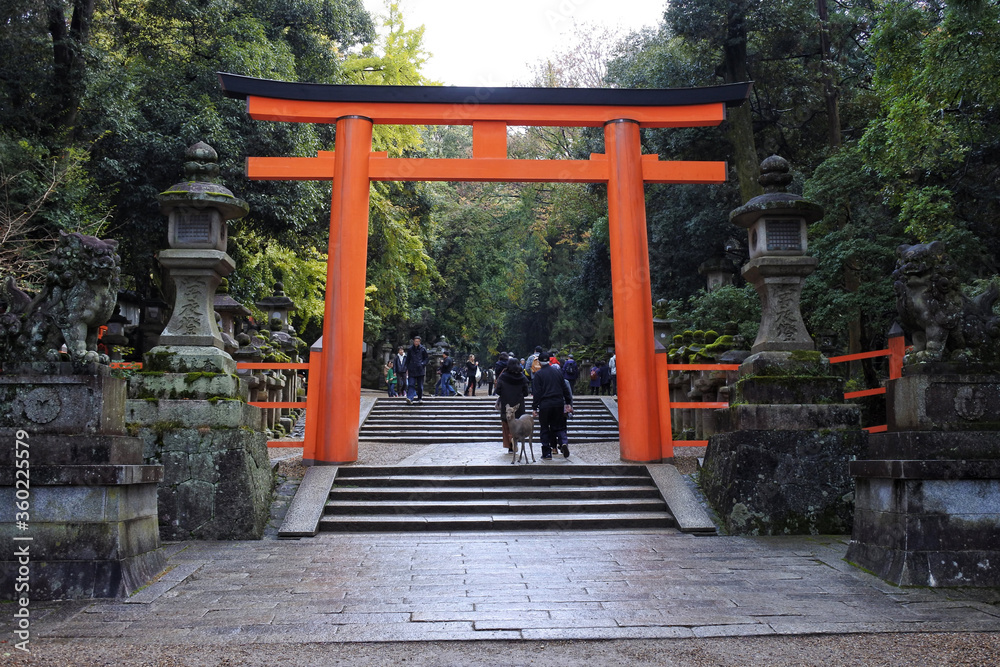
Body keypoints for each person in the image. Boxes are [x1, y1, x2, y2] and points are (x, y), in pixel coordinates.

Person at [531, 352, 572, 459]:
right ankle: (563, 442)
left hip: (545, 404)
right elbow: (565, 388)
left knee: (545, 428)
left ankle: (547, 452)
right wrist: (567, 402)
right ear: (549, 360)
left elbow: (537, 393)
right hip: (558, 403)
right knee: (559, 426)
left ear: (539, 362)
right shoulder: (557, 372)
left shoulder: (538, 375)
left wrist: (534, 407)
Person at [497, 358, 529, 451]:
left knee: (506, 426)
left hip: (506, 405)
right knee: (518, 424)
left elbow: (498, 391)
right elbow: (526, 393)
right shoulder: (522, 378)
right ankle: (515, 440)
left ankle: (510, 445)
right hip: (518, 406)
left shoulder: (503, 377)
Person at [404, 336, 429, 404]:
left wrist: (422, 364)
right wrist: (406, 368)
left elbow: (426, 359)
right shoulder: (410, 349)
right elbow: (407, 359)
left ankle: (420, 398)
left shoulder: (423, 349)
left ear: (420, 342)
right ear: (413, 341)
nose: (416, 343)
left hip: (420, 370)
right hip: (412, 369)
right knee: (411, 384)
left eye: (418, 341)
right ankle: (410, 398)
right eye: (415, 341)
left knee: (420, 385)